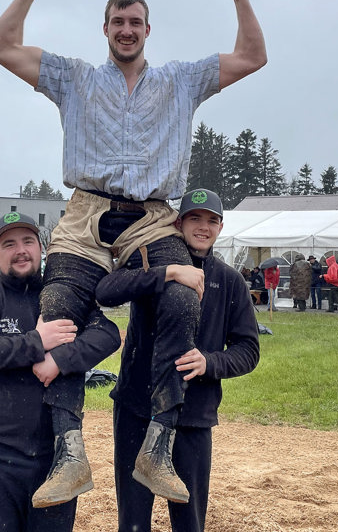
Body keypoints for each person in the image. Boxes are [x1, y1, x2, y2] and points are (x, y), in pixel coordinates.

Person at [0, 0, 266, 504]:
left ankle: (158, 446)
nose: (127, 30)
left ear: (147, 29)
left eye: (135, 22)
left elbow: (254, 56)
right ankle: (70, 455)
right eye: (118, 22)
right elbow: (0, 46)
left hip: (152, 215)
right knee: (60, 307)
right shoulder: (75, 77)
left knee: (185, 295)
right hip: (87, 212)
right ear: (106, 28)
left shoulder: (182, 80)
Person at [94, 188, 260, 531]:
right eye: (194, 218)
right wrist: (167, 272)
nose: (203, 227)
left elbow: (248, 350)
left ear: (221, 226)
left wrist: (209, 362)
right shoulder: (151, 261)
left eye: (211, 220)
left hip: (193, 416)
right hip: (136, 408)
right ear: (178, 222)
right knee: (133, 519)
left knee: (189, 518)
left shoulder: (230, 282)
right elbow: (107, 290)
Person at [0, 213, 120, 531]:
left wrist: (61, 359)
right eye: (9, 244)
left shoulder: (61, 299)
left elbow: (108, 335)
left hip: (56, 460)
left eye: (28, 241)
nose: (21, 250)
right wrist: (37, 342)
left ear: (41, 249)